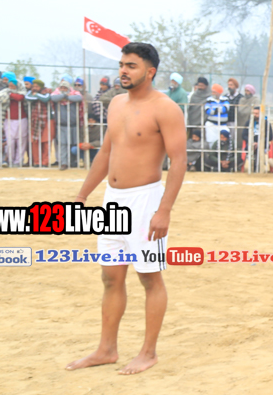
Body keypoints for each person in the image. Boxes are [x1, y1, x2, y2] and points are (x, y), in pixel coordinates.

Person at [66, 42, 186, 375]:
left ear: (150, 71)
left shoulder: (165, 108)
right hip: (112, 201)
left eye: (131, 65)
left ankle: (148, 352)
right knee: (110, 276)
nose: (123, 70)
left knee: (149, 277)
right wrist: (81, 196)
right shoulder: (116, 103)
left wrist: (164, 210)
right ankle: (106, 349)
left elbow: (179, 160)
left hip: (145, 202)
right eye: (122, 64)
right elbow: (106, 153)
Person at [50, 79, 84, 170]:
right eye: (62, 88)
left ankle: (72, 162)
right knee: (63, 144)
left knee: (73, 144)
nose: (63, 89)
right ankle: (64, 163)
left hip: (74, 124)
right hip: (61, 125)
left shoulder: (75, 93)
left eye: (65, 88)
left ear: (69, 88)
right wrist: (65, 95)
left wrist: (66, 98)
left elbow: (79, 98)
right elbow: (53, 98)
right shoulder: (56, 94)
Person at [26, 79, 53, 166]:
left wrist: (36, 95)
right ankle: (37, 162)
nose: (35, 88)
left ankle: (45, 162)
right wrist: (37, 95)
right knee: (35, 142)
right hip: (35, 120)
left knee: (46, 141)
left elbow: (46, 99)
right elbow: (28, 98)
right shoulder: (30, 92)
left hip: (46, 119)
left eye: (37, 86)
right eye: (34, 86)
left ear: (41, 87)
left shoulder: (47, 91)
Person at [186, 77, 210, 142]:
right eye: (199, 85)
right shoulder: (194, 96)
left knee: (203, 140)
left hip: (204, 123)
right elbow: (191, 109)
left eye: (202, 86)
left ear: (206, 86)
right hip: (194, 123)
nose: (200, 87)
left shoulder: (209, 96)